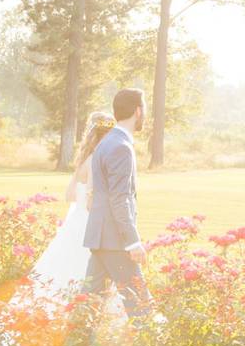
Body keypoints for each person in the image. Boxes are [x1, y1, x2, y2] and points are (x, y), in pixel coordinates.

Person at [26, 111, 115, 297]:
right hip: (89, 224)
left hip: (75, 222)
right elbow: (92, 200)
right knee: (86, 269)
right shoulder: (97, 161)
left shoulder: (84, 159)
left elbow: (69, 195)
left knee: (63, 264)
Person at [83, 88, 151, 316]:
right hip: (115, 241)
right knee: (141, 307)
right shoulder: (121, 147)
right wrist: (132, 242)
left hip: (101, 239)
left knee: (88, 307)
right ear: (138, 111)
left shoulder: (106, 142)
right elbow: (119, 198)